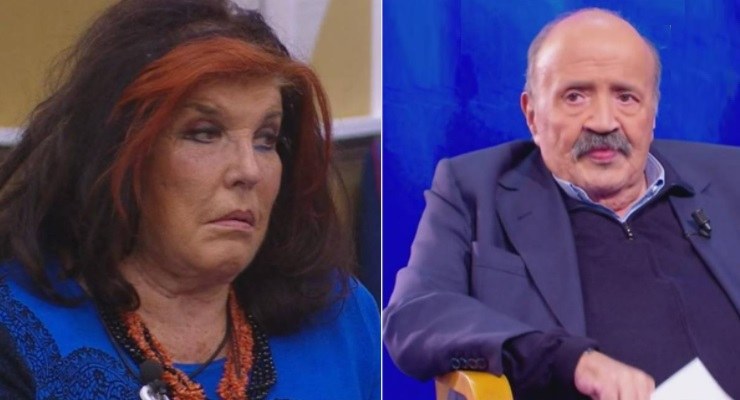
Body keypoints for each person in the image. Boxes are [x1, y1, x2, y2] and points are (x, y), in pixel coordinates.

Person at [0, 0, 380, 399]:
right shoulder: (18, 330)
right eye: (204, 133)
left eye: (266, 139)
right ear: (118, 152)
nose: (249, 170)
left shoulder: (341, 316)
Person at [383, 8, 740, 399]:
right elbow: (413, 315)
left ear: (651, 113)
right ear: (532, 114)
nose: (603, 121)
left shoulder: (729, 177)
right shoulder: (474, 190)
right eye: (575, 97)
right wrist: (569, 360)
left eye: (626, 97)